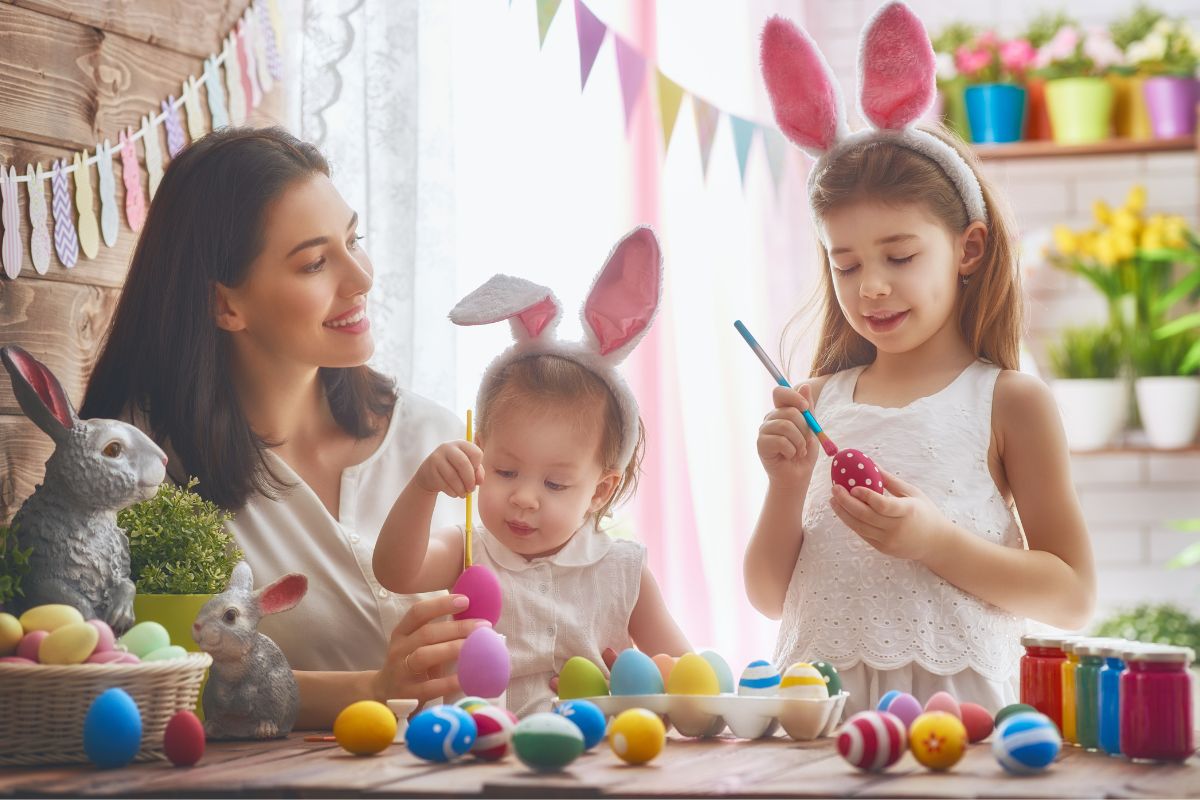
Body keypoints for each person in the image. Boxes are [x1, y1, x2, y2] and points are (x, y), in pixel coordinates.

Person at [744, 4, 1096, 714]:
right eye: (845, 265)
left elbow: (1072, 595)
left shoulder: (1008, 401)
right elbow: (766, 596)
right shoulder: (817, 401)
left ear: (967, 248)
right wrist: (785, 488)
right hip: (820, 718)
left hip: (954, 721)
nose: (870, 286)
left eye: (899, 256)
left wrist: (936, 542)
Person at [81, 126, 481, 727]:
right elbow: (149, 675)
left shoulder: (435, 436)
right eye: (316, 262)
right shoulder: (147, 469)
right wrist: (371, 686)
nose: (361, 277)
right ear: (225, 305)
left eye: (355, 240)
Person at [373, 228, 690, 716]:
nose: (524, 498)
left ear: (601, 490)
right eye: (504, 471)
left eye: (555, 483)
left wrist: (639, 685)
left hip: (594, 763)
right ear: (481, 452)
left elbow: (684, 673)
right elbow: (395, 572)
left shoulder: (623, 571)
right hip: (477, 755)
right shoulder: (469, 553)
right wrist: (422, 488)